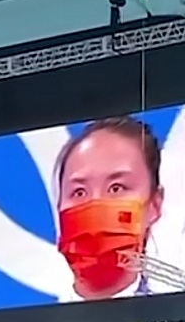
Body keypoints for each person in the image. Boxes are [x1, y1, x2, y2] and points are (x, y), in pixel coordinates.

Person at [54, 116, 165, 301]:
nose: (95, 205)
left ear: (154, 204)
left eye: (116, 188)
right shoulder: (25, 316)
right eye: (79, 192)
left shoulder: (176, 313)